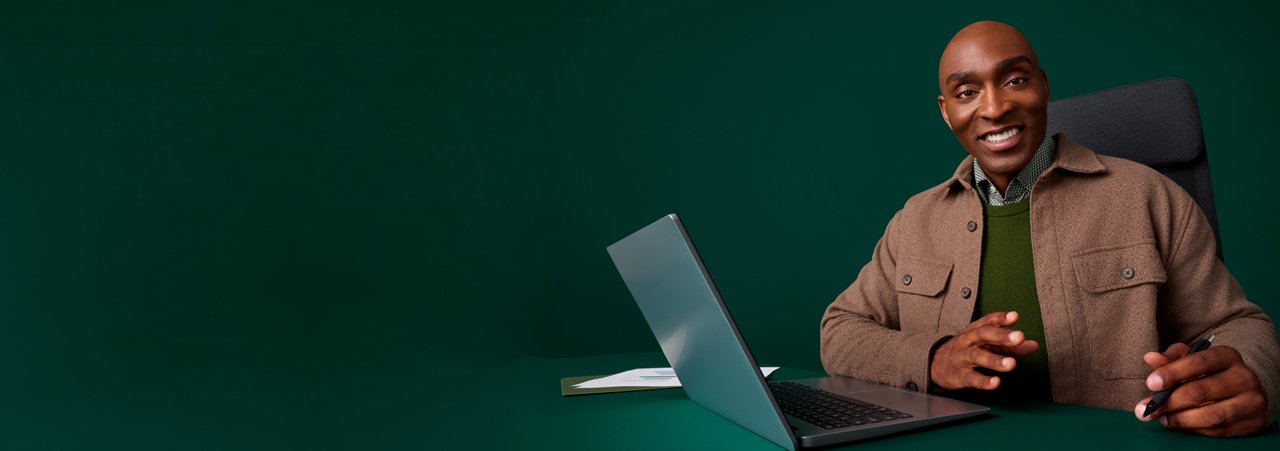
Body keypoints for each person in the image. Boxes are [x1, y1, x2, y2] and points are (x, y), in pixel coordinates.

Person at [819, 21, 1279, 437]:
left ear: (1043, 86)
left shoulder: (1149, 197)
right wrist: (933, 357)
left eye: (1014, 80)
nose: (994, 108)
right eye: (966, 93)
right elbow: (838, 330)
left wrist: (1253, 375)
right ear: (946, 111)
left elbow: (1237, 326)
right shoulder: (914, 220)